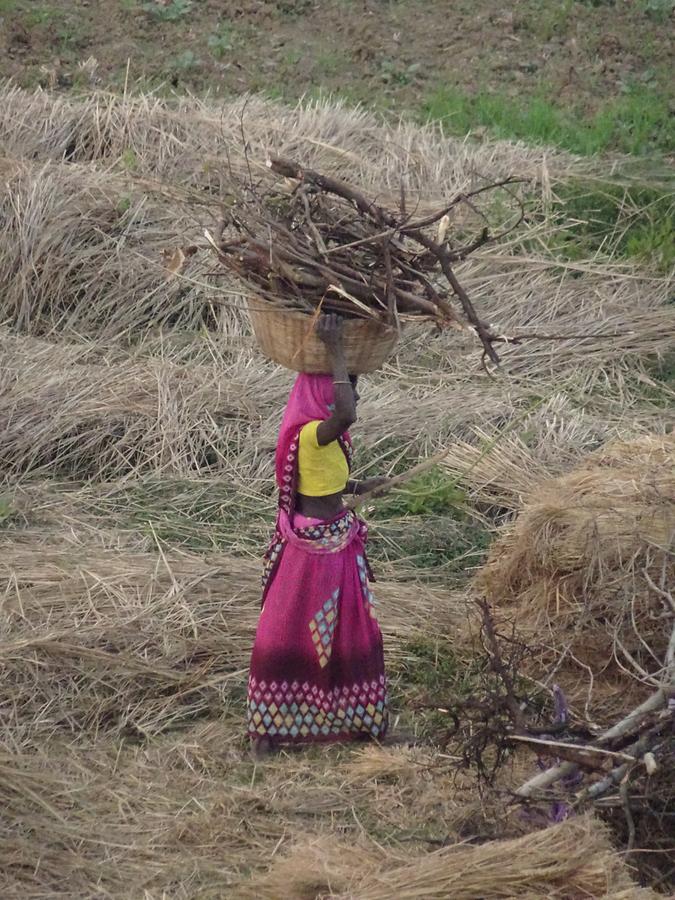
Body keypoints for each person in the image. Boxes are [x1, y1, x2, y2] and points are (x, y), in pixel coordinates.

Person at [247, 314, 389, 757]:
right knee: (288, 633)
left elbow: (319, 481)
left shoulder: (320, 442)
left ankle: (358, 722)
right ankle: (268, 731)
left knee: (348, 630)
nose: (351, 397)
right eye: (341, 386)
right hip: (313, 550)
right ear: (321, 397)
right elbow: (346, 411)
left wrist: (356, 488)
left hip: (334, 542)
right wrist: (337, 350)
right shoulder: (313, 433)